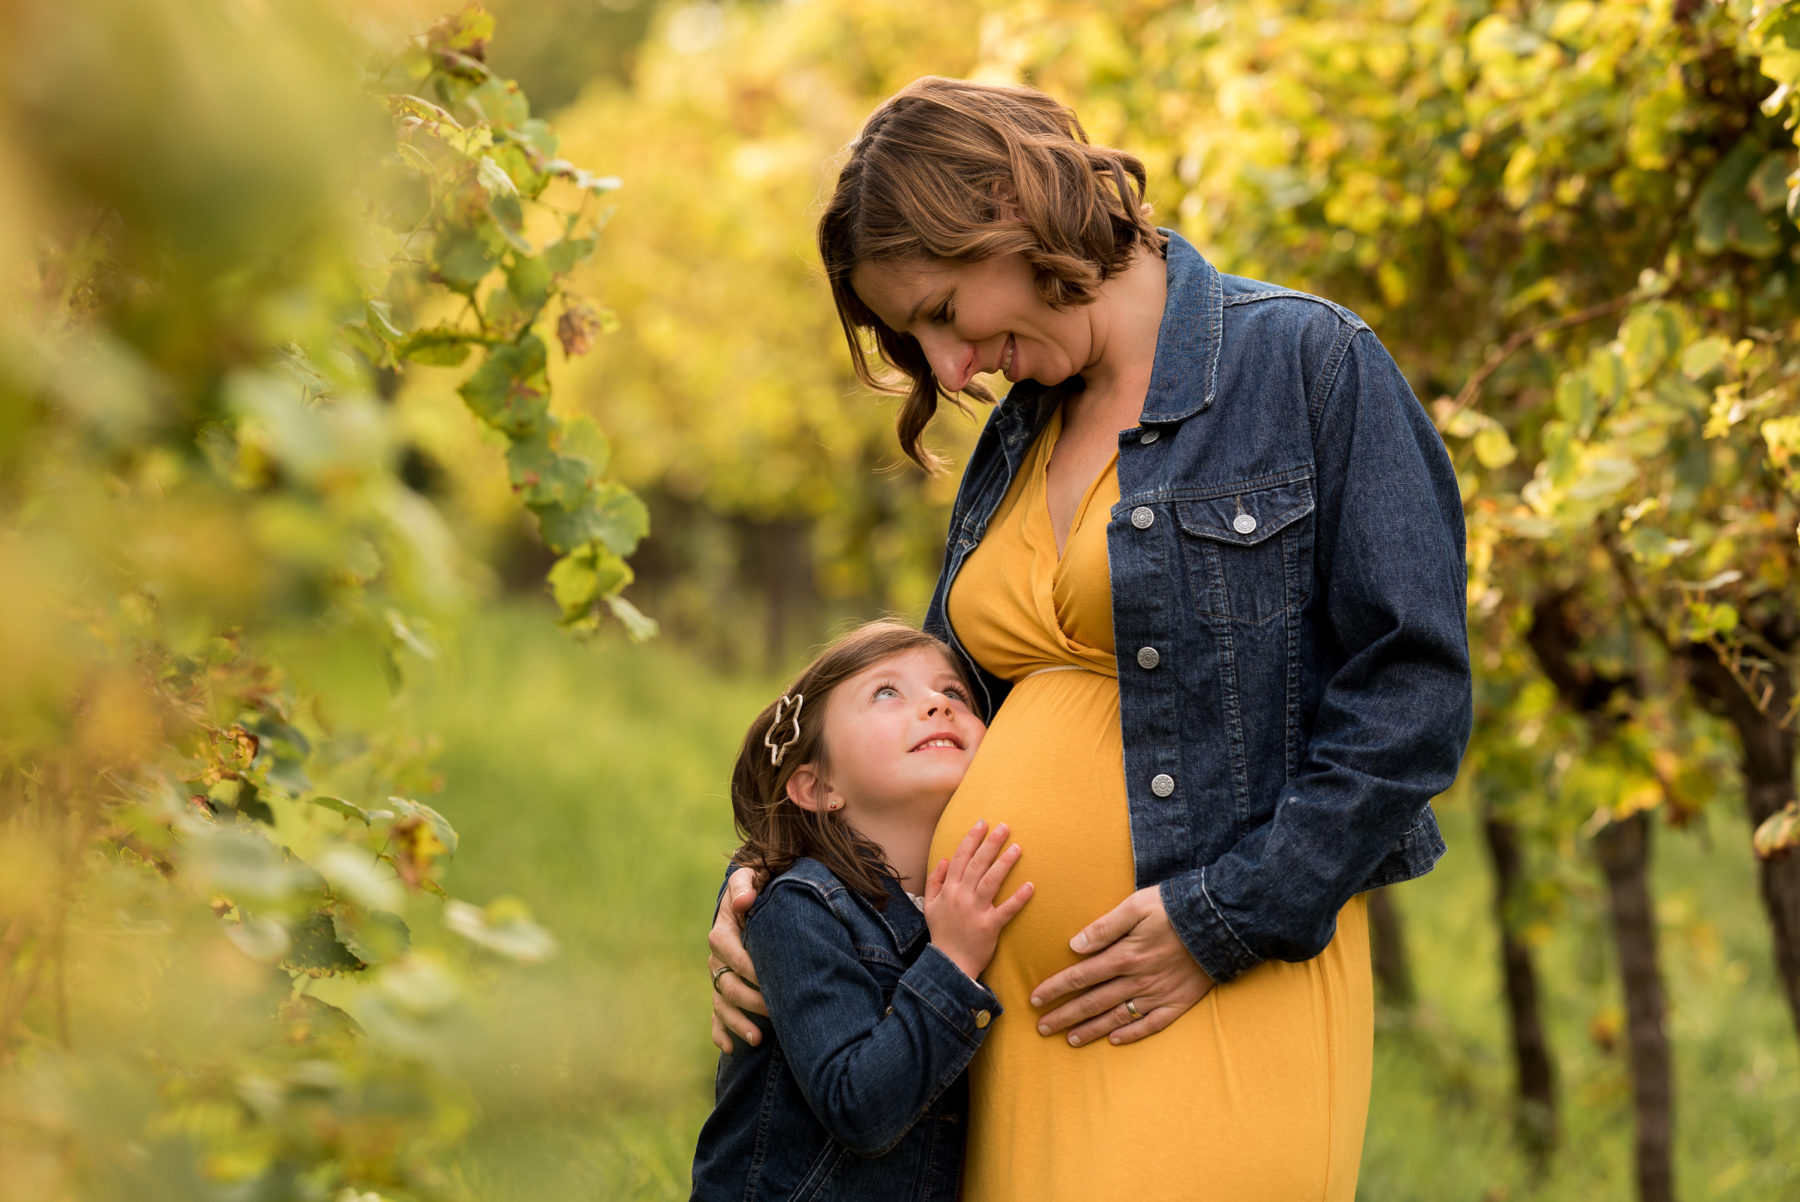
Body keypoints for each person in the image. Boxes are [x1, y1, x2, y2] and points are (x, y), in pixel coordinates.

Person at [708, 76, 1472, 1200]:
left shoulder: (1305, 364)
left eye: (941, 311)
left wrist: (1219, 918)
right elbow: (919, 705)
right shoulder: (1021, 435)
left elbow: (1412, 699)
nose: (950, 370)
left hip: (1206, 985)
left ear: (1006, 209)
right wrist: (771, 895)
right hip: (995, 1023)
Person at [689, 621, 1035, 1202]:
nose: (935, 705)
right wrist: (951, 963)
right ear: (816, 785)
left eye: (954, 694)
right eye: (886, 693)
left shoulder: (945, 908)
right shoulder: (802, 907)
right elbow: (859, 1108)